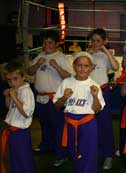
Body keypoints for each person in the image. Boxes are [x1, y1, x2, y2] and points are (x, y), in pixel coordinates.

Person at [53, 52, 105, 173]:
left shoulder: (94, 85)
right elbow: (56, 106)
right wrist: (64, 98)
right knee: (74, 152)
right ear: (74, 66)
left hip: (88, 123)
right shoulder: (66, 82)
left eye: (86, 66)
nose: (82, 68)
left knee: (89, 153)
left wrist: (95, 96)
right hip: (71, 123)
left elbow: (97, 110)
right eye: (79, 65)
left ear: (91, 68)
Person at [27, 30, 73, 167]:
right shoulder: (40, 56)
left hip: (55, 98)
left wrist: (57, 66)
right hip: (41, 98)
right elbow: (29, 71)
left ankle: (61, 154)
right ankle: (46, 146)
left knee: (58, 127)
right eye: (45, 42)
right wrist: (37, 64)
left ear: (56, 44)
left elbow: (69, 76)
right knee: (44, 125)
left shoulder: (61, 57)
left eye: (50, 42)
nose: (47, 45)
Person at [87, 28, 119, 169]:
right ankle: (92, 153)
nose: (95, 43)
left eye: (98, 41)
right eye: (93, 40)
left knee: (105, 125)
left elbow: (116, 67)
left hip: (102, 91)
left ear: (104, 41)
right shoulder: (85, 55)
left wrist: (105, 49)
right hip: (87, 92)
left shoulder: (105, 56)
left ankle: (108, 155)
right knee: (88, 125)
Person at [1, 62, 35, 173]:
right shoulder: (16, 90)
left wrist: (15, 97)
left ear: (23, 77)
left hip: (21, 132)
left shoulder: (26, 92)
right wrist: (8, 97)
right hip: (12, 131)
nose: (12, 83)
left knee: (24, 159)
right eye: (9, 80)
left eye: (16, 79)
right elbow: (9, 108)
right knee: (14, 159)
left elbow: (26, 112)